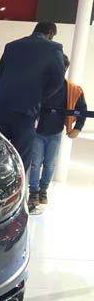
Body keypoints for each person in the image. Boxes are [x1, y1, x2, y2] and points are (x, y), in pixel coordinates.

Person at [0, 21, 65, 170]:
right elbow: (58, 80)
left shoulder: (12, 46)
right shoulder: (54, 48)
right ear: (50, 34)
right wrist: (40, 95)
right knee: (21, 159)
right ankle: (16, 185)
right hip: (26, 110)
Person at [28, 54, 87, 210]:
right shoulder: (40, 86)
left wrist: (78, 127)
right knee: (35, 163)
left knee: (49, 163)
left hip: (55, 132)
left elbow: (82, 109)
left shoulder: (72, 90)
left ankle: (43, 190)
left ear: (66, 67)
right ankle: (33, 192)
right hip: (37, 131)